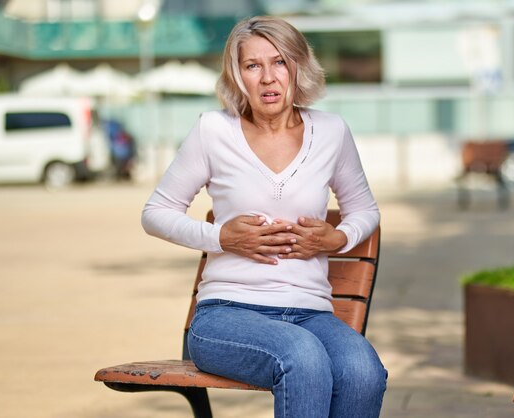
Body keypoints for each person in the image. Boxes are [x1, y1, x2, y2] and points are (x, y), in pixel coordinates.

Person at [141, 16, 386, 418]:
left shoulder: (331, 132)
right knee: (303, 359)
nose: (268, 78)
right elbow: (155, 213)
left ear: (297, 68)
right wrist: (222, 237)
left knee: (363, 371)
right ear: (237, 75)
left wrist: (337, 239)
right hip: (226, 314)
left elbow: (365, 209)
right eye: (252, 66)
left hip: (309, 312)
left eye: (279, 63)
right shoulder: (212, 131)